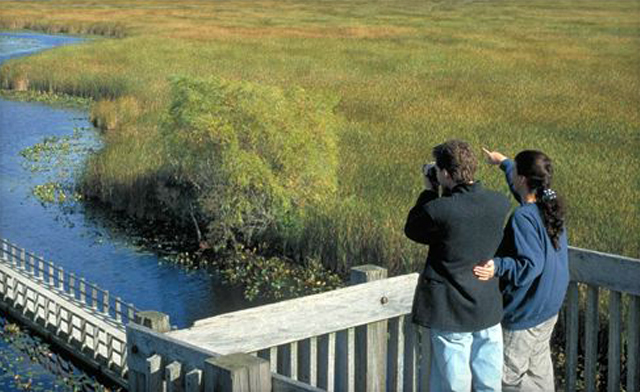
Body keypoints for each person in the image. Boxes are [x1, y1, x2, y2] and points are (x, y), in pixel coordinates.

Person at [404, 139, 511, 392]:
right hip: (487, 308)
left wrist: (429, 190)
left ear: (444, 173)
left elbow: (413, 229)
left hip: (450, 311)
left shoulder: (439, 210)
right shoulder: (499, 203)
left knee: (453, 385)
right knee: (489, 384)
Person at [474, 148, 569, 392]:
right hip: (548, 307)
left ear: (523, 179)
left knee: (506, 379)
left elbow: (530, 264)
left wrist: (497, 266)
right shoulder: (548, 205)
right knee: (538, 373)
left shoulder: (523, 217)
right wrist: (503, 162)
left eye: (515, 169)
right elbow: (523, 194)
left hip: (526, 311)